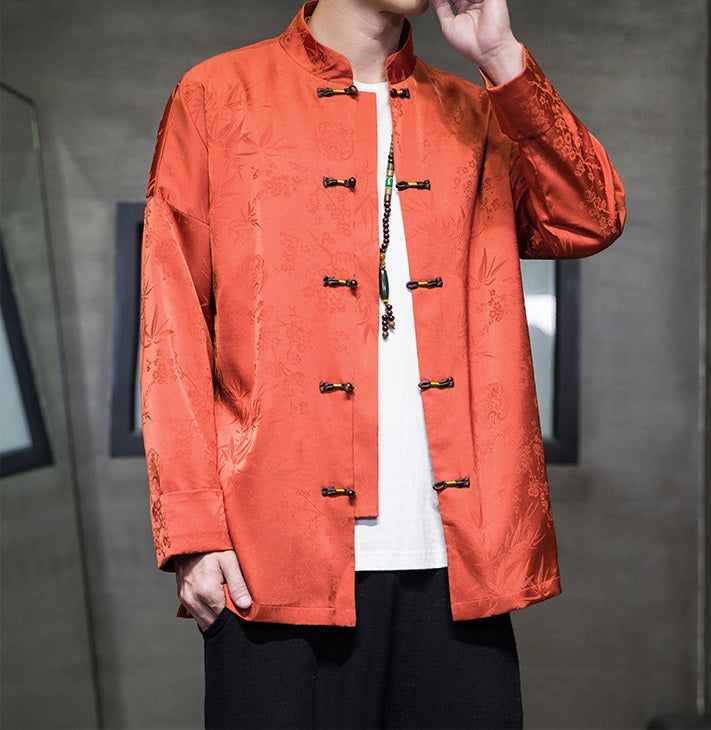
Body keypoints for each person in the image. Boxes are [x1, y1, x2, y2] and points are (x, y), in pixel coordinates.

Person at [140, 0, 626, 727]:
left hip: (456, 565)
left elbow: (589, 215)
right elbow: (168, 323)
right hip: (274, 562)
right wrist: (192, 531)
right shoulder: (217, 95)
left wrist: (499, 58)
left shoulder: (474, 109)